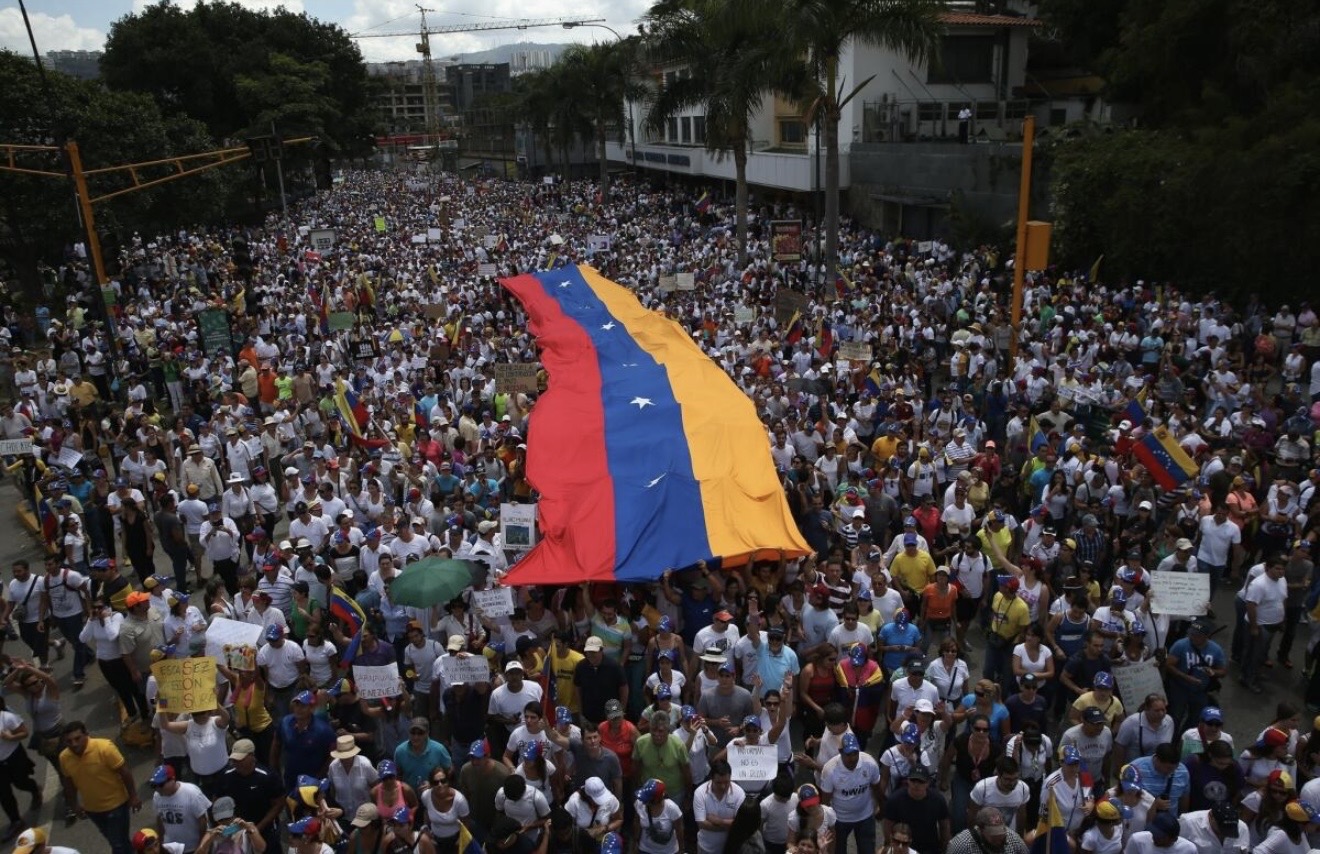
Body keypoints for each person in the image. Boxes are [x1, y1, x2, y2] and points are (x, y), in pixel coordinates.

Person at [60, 720, 140, 854]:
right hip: (93, 810)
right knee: (116, 840)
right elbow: (69, 783)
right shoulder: (64, 758)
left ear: (86, 735)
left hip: (116, 806)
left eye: (77, 739)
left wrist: (133, 796)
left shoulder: (104, 748)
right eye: (69, 741)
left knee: (118, 844)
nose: (74, 744)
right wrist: (74, 805)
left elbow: (124, 772)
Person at [818, 733, 881, 854]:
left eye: (855, 753)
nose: (852, 758)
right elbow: (825, 801)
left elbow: (876, 788)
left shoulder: (870, 764)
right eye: (848, 754)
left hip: (865, 816)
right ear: (840, 752)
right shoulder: (830, 770)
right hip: (839, 819)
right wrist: (826, 825)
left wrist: (880, 807)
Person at [882, 768, 951, 854]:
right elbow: (887, 827)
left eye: (921, 781)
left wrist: (944, 848)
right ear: (908, 781)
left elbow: (944, 827)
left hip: (929, 849)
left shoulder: (938, 800)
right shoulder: (895, 800)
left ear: (928, 783)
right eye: (913, 780)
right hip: (904, 847)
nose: (916, 784)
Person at [149, 763, 211, 854]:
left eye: (161, 784)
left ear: (173, 779)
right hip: (171, 848)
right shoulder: (157, 797)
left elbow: (203, 821)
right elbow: (159, 819)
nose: (158, 789)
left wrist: (201, 845)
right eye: (154, 785)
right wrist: (161, 842)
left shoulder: (192, 793)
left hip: (193, 848)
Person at [692, 759, 745, 854]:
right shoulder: (700, 793)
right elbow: (701, 823)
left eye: (726, 782)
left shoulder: (739, 793)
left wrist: (720, 821)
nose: (723, 786)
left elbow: (741, 823)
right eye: (719, 783)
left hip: (730, 848)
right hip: (706, 847)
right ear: (711, 778)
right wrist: (729, 826)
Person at [946, 806, 1028, 854]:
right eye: (993, 835)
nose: (998, 839)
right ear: (981, 830)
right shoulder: (961, 844)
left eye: (1001, 833)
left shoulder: (1013, 838)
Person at [1177, 801, 1249, 854]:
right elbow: (1175, 848)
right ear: (1211, 817)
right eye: (1222, 828)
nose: (1224, 834)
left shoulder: (1242, 828)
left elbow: (1244, 850)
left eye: (1230, 829)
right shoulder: (1188, 822)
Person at [634, 778, 683, 854]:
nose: (642, 801)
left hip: (668, 851)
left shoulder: (672, 809)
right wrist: (635, 844)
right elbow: (636, 824)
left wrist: (681, 850)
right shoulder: (639, 803)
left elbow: (679, 831)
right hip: (645, 849)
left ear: (656, 800)